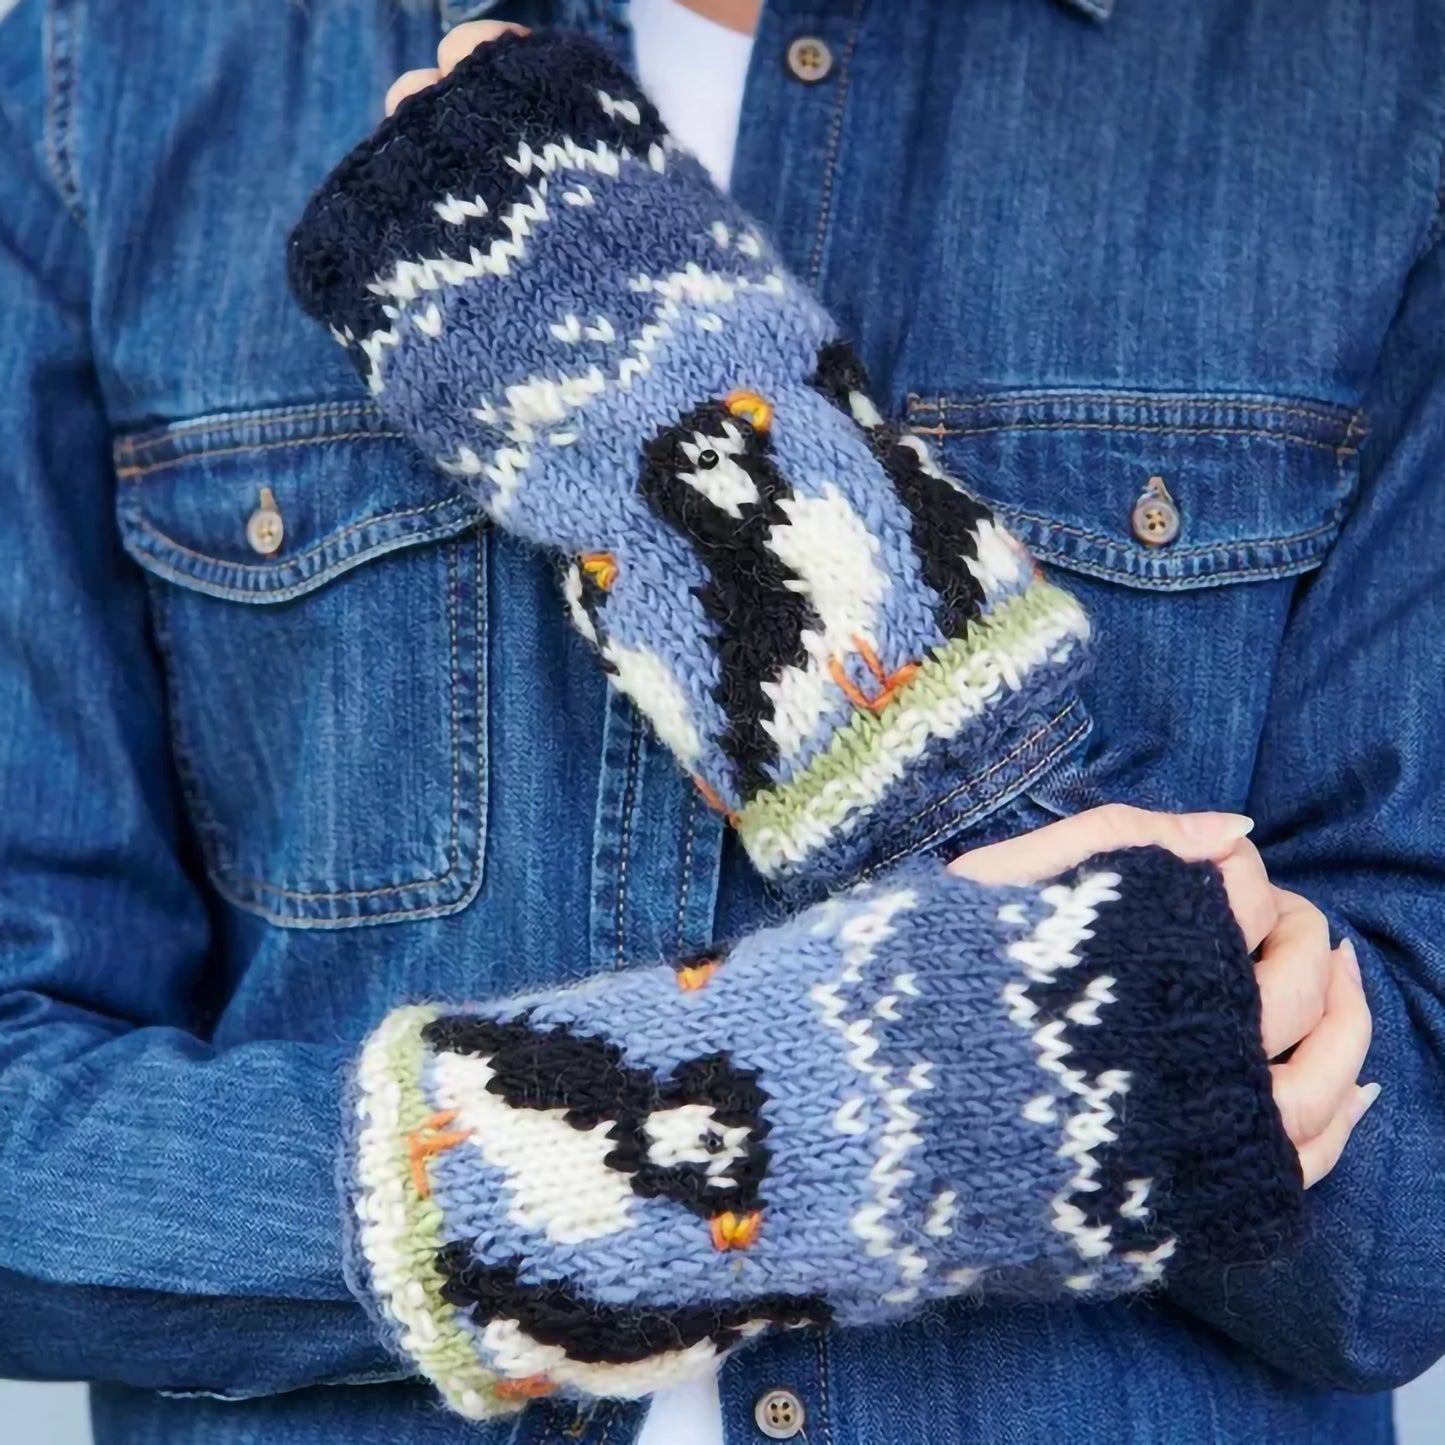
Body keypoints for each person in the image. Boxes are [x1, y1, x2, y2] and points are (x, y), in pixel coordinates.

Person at [0, 4, 1434, 1445]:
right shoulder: (101, 84)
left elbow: (1396, 1245)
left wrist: (749, 540)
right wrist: (766, 1144)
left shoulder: (1382, 104)